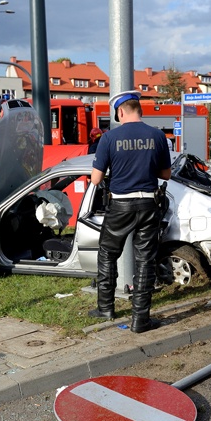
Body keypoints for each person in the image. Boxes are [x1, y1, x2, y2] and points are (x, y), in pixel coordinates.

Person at [88, 90, 172, 333]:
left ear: (121, 111)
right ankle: (140, 320)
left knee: (107, 253)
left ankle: (105, 308)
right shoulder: (157, 136)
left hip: (120, 206)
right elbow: (165, 174)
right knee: (145, 260)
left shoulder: (109, 138)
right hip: (148, 205)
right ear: (139, 110)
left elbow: (95, 180)